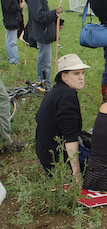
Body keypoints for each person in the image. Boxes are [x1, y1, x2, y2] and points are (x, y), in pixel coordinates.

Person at [35, 54, 90, 182]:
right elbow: (70, 137)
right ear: (64, 76)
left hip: (46, 153)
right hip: (57, 160)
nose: (81, 78)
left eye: (82, 73)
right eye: (76, 74)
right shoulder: (67, 96)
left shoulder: (56, 92)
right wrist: (76, 175)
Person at [27, 0, 63, 84]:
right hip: (42, 33)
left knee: (45, 58)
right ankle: (43, 83)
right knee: (45, 60)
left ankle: (43, 82)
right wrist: (54, 12)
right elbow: (39, 16)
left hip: (44, 31)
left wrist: (56, 20)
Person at [0, 0, 25, 65]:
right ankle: (14, 61)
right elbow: (7, 7)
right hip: (10, 19)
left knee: (10, 39)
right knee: (11, 41)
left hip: (15, 17)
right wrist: (19, 7)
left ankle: (12, 59)